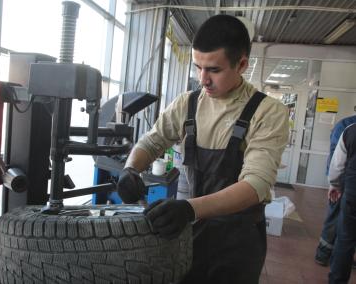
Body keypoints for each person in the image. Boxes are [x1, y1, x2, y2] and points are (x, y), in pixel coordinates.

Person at [116, 14, 288, 284]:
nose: (203, 79)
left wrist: (188, 209)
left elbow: (256, 184)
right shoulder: (188, 103)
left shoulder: (267, 112)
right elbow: (153, 140)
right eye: (198, 67)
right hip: (192, 231)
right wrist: (130, 169)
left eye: (214, 70)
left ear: (241, 64)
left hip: (239, 241)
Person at [315, 114, 356, 266]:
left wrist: (334, 181)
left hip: (344, 181)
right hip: (343, 182)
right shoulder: (347, 125)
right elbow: (336, 157)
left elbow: (336, 157)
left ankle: (334, 255)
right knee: (336, 217)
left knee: (338, 219)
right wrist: (334, 183)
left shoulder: (347, 125)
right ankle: (326, 254)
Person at [328, 123, 356, 283]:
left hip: (353, 194)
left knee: (345, 241)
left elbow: (337, 166)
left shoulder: (351, 130)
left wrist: (335, 185)